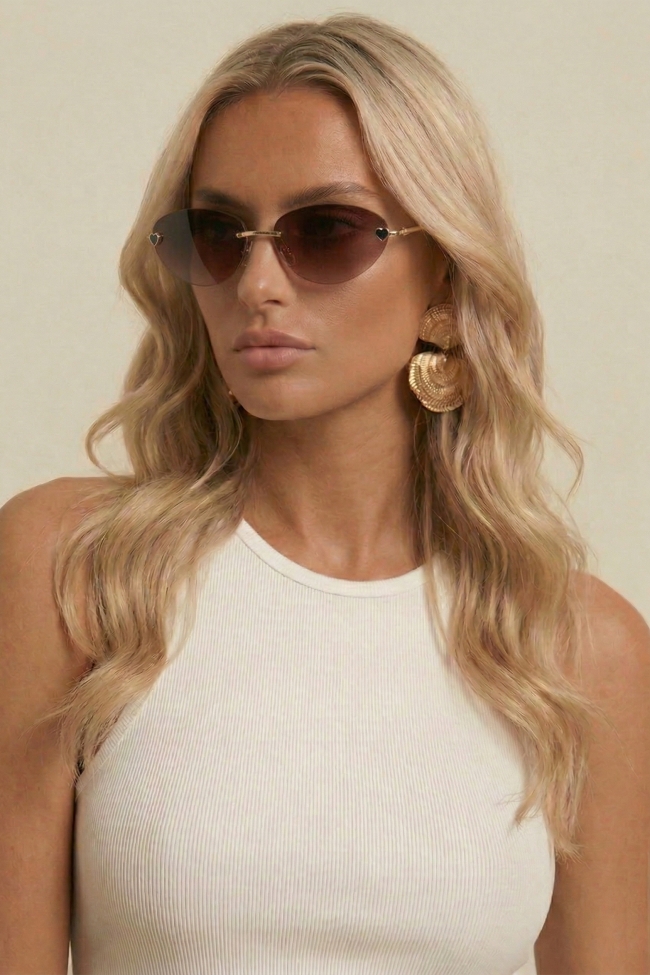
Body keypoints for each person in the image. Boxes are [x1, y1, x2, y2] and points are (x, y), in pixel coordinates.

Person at [1, 13, 648, 975]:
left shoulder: (575, 650)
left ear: (444, 275)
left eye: (326, 232)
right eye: (218, 235)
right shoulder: (75, 570)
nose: (258, 282)